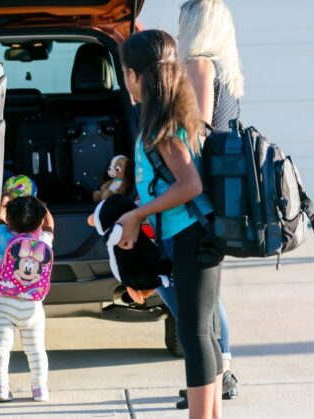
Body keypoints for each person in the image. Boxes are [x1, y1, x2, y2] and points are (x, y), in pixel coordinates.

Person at [117, 29, 224, 419]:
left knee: (194, 334)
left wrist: (138, 213)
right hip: (194, 237)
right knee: (202, 333)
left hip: (191, 236)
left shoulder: (161, 127)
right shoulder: (170, 118)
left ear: (134, 76)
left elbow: (190, 185)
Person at [174, 0, 245, 408]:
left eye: (184, 22)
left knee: (196, 314)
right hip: (219, 198)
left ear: (196, 25)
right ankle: (215, 382)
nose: (180, 30)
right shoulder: (227, 69)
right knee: (204, 300)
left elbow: (196, 131)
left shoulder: (200, 64)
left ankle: (213, 380)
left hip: (197, 200)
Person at [0, 194, 55, 403]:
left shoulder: (3, 237)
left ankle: (0, 388)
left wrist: (4, 202)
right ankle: (40, 389)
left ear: (10, 221)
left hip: (3, 302)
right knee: (36, 350)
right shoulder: (43, 240)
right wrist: (44, 208)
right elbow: (50, 226)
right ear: (39, 220)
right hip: (33, 305)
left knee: (0, 347)